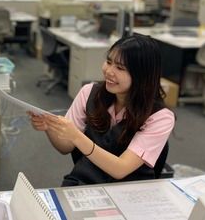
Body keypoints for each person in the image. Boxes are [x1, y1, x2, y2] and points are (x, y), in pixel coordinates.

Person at [30, 33, 174, 186]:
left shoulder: (160, 117)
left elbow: (121, 168)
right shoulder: (89, 93)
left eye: (120, 68)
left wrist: (77, 137)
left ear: (142, 76)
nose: (109, 71)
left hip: (129, 191)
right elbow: (66, 147)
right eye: (108, 61)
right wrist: (49, 128)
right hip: (84, 182)